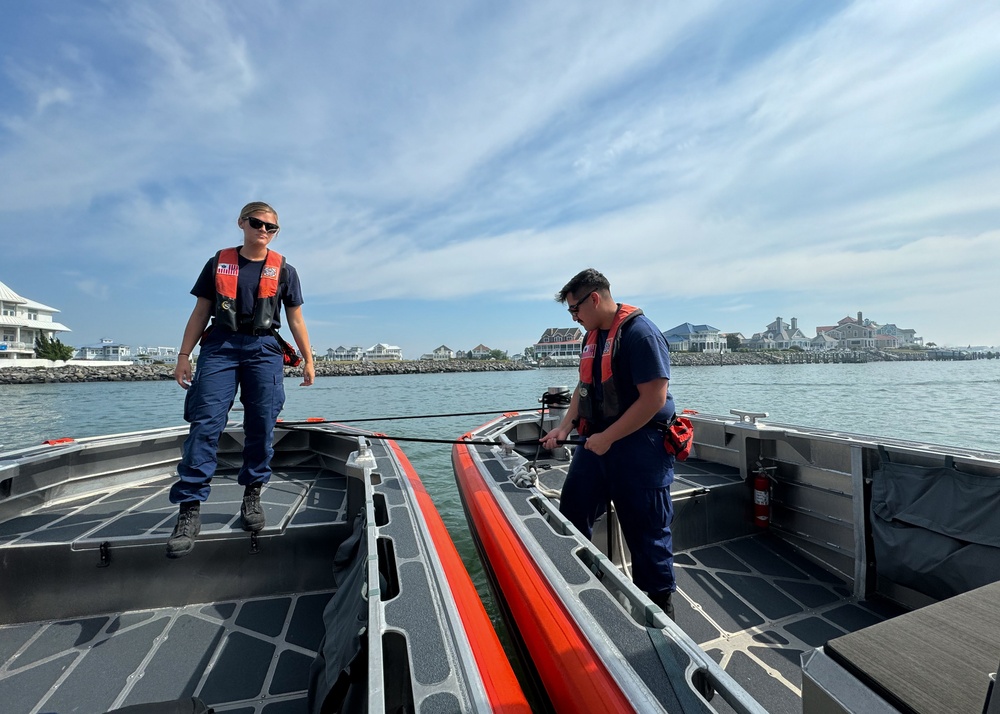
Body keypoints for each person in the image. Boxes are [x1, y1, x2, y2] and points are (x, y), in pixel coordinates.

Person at [166, 201, 315, 558]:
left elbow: (295, 318)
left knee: (262, 424)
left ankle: (252, 494)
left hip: (264, 348)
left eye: (271, 227)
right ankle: (189, 509)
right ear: (242, 223)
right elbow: (201, 311)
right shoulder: (218, 262)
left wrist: (309, 359)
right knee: (205, 422)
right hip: (220, 346)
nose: (263, 230)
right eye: (257, 223)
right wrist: (184, 356)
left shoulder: (285, 271)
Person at [540, 268, 678, 618]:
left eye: (575, 309)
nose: (574, 316)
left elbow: (653, 399)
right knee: (572, 513)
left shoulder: (640, 335)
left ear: (595, 299)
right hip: (597, 443)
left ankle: (661, 612)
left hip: (639, 448)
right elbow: (584, 388)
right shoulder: (591, 337)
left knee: (648, 533)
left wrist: (608, 438)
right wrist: (564, 428)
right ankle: (578, 588)